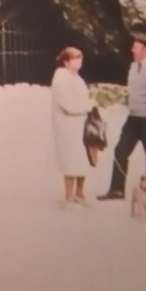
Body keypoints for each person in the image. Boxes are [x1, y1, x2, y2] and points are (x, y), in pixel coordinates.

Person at [97, 33, 146, 204]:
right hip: (133, 117)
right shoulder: (134, 66)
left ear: (145, 50)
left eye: (135, 46)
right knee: (120, 150)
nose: (132, 49)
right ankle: (117, 190)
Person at [50, 46, 95, 206]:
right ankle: (68, 196)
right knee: (70, 160)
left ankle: (80, 193)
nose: (79, 61)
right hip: (67, 125)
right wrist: (88, 105)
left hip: (81, 124)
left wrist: (88, 104)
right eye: (75, 58)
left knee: (83, 159)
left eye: (80, 58)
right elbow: (68, 105)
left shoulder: (78, 78)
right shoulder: (60, 78)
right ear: (66, 61)